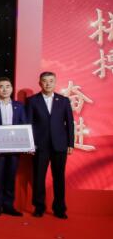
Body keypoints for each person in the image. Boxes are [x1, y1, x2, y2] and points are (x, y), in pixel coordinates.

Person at [26, 71, 73, 219]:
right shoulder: (32, 101)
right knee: (39, 177)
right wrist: (30, 144)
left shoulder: (64, 100)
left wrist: (70, 143)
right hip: (40, 145)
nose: (48, 84)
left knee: (59, 177)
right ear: (40, 83)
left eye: (51, 81)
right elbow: (28, 124)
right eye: (45, 81)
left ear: (55, 82)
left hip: (60, 145)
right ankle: (39, 207)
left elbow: (69, 123)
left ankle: (60, 208)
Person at [0, 77, 27, 216]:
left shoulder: (19, 106)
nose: (4, 89)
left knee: (10, 176)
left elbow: (24, 125)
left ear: (12, 89)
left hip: (14, 147)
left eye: (7, 86)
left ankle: (9, 205)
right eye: (1, 86)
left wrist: (26, 143)